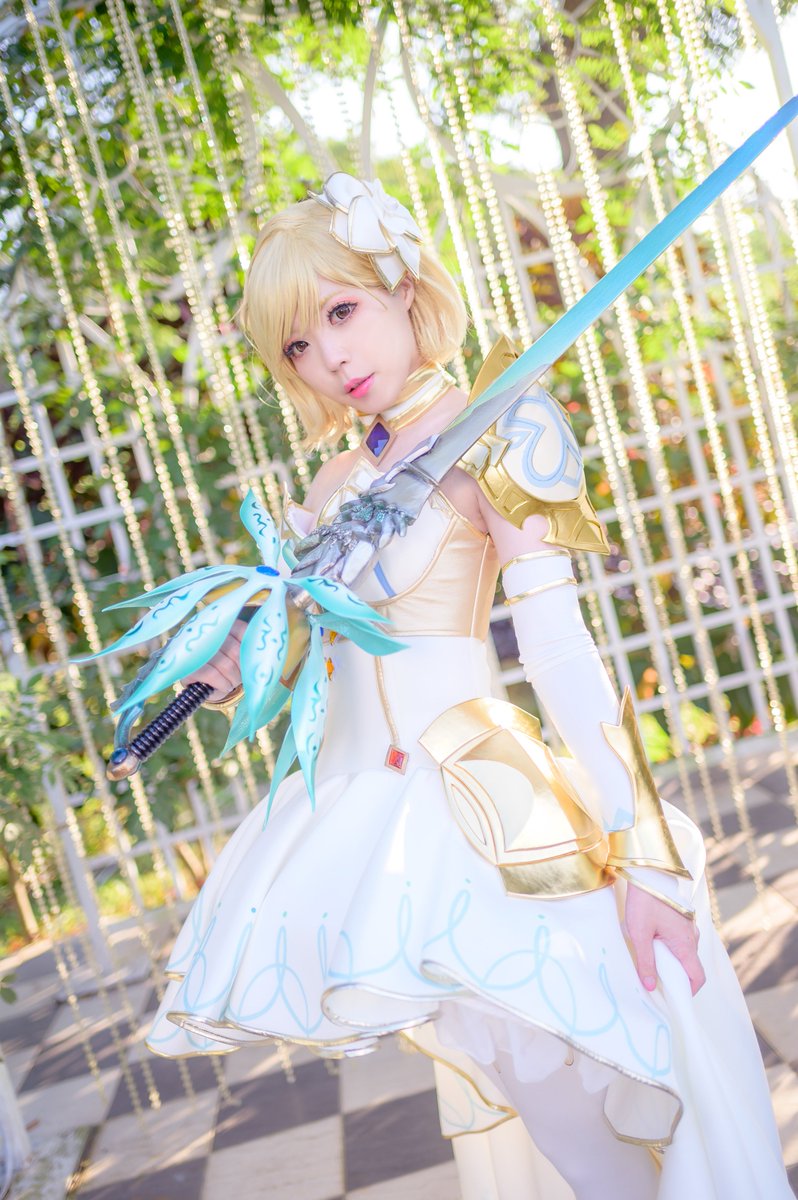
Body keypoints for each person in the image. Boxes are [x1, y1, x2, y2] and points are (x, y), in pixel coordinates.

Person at [145, 173, 791, 1199]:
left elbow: (560, 648)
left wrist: (647, 856)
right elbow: (309, 656)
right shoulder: (333, 484)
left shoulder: (503, 427)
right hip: (365, 827)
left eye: (342, 311)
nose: (330, 358)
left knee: (579, 1132)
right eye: (299, 345)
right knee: (552, 1127)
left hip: (475, 814)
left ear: (403, 288)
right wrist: (232, 670)